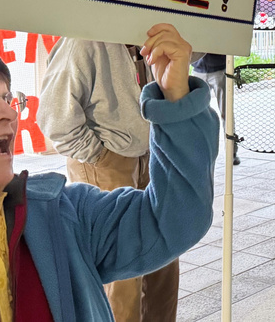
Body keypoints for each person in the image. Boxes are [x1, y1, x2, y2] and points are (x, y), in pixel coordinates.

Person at [0, 24, 217, 321]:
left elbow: (174, 221)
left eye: (9, 99)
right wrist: (99, 155)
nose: (9, 113)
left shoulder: (65, 214)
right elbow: (58, 119)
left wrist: (176, 100)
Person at [37, 32, 187, 322]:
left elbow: (197, 53)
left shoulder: (149, 33)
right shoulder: (84, 40)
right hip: (108, 157)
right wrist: (99, 156)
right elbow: (54, 118)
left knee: (164, 257)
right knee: (122, 277)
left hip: (149, 151)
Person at [192, 53, 240, 166]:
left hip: (219, 69)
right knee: (197, 115)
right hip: (198, 70)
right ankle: (199, 153)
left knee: (226, 113)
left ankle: (231, 152)